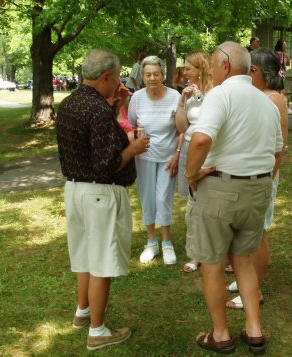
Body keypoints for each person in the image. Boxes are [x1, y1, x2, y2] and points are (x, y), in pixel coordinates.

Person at [185, 41, 283, 355]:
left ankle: (221, 335)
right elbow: (279, 149)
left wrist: (191, 174)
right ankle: (254, 330)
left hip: (221, 188)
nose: (211, 71)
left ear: (225, 66)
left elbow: (200, 139)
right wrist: (264, 179)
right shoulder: (266, 101)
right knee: (243, 260)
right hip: (258, 189)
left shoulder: (220, 94)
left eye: (214, 65)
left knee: (212, 264)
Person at [56, 49, 150, 351]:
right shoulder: (95, 109)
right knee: (102, 263)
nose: (120, 82)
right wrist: (134, 148)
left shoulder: (71, 103)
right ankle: (97, 331)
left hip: (76, 190)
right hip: (99, 193)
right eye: (118, 76)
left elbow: (93, 138)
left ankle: (83, 312)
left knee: (85, 255)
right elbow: (106, 163)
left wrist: (115, 106)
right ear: (106, 76)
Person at [225, 47, 289, 310]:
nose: (247, 74)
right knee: (246, 232)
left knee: (258, 234)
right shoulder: (258, 96)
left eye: (251, 70)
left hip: (264, 177)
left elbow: (279, 147)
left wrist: (269, 181)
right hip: (250, 175)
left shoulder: (274, 99)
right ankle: (245, 279)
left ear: (263, 72)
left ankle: (255, 290)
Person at [128, 55, 183, 265]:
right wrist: (136, 137)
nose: (152, 78)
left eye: (156, 74)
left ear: (163, 75)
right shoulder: (137, 98)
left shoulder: (174, 96)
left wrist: (178, 153)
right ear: (143, 76)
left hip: (168, 157)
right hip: (144, 157)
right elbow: (132, 126)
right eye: (148, 74)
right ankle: (151, 241)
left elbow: (181, 129)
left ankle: (167, 242)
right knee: (148, 198)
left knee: (163, 199)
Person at [175, 50, 213, 273]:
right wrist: (182, 101)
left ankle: (216, 251)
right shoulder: (188, 92)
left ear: (200, 69)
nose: (184, 72)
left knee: (210, 201)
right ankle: (197, 253)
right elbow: (181, 127)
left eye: (188, 68)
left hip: (209, 149)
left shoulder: (216, 91)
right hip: (190, 147)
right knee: (193, 202)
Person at [274, 39, 292, 115]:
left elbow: (288, 64)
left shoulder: (280, 54)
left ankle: (280, 107)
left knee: (279, 91)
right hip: (280, 74)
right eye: (284, 44)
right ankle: (285, 108)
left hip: (280, 75)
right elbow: (281, 64)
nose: (286, 46)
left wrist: (287, 58)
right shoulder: (280, 54)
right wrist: (286, 57)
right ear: (281, 46)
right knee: (282, 92)